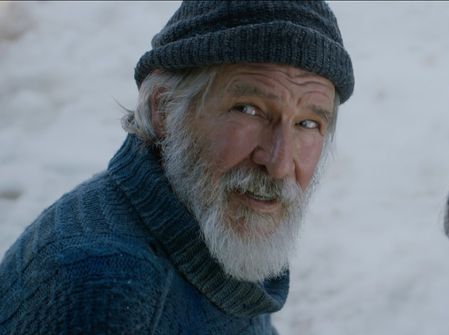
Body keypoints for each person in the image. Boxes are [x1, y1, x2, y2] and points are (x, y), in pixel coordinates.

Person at [0, 1, 353, 334]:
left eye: (307, 124)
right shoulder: (108, 288)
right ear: (164, 110)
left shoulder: (215, 233)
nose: (277, 164)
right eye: (248, 110)